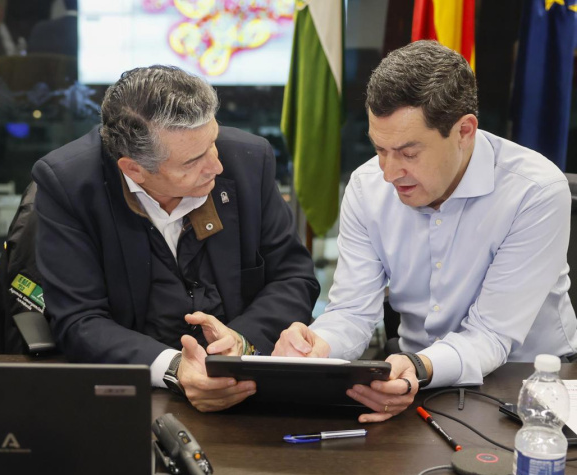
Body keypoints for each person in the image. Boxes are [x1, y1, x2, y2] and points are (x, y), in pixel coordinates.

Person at [273, 40, 577, 422]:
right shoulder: (368, 187)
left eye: (408, 153)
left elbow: (491, 335)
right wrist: (320, 345)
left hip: (529, 383)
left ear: (464, 131)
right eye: (380, 150)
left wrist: (416, 366)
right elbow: (352, 311)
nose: (388, 172)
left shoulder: (534, 191)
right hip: (413, 377)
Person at [33, 65, 319, 412]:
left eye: (213, 143)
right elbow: (79, 320)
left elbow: (293, 277)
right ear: (134, 169)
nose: (217, 166)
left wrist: (241, 343)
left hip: (251, 392)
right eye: (194, 160)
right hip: (132, 400)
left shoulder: (249, 159)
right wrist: (173, 368)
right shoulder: (69, 184)